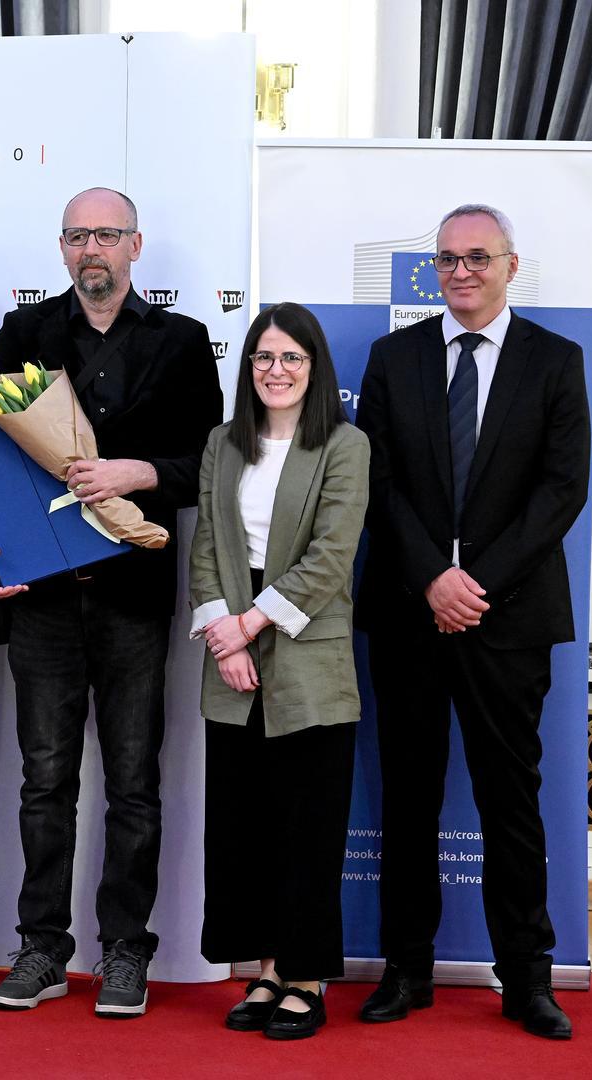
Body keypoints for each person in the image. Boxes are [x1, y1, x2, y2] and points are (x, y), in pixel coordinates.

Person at [0, 187, 221, 1017]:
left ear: (136, 247)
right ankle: (40, 949)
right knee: (44, 782)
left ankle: (124, 954)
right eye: (78, 236)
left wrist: (138, 473)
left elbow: (209, 462)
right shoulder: (23, 334)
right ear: (62, 248)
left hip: (134, 598)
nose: (92, 249)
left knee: (135, 783)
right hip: (41, 592)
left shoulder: (180, 342)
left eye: (107, 234)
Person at [354, 204, 589, 1040]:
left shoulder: (555, 362)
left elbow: (562, 490)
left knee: (510, 804)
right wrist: (430, 579)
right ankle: (406, 970)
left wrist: (473, 583)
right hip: (409, 611)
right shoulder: (395, 357)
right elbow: (374, 483)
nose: (460, 272)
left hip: (508, 616)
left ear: (510, 266)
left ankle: (527, 979)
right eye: (447, 260)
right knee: (408, 800)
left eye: (476, 258)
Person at [189, 303, 369, 1040]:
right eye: (263, 357)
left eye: (291, 357)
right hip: (231, 652)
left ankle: (306, 976)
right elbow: (204, 542)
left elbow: (331, 555)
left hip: (306, 650)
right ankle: (267, 970)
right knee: (245, 825)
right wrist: (223, 639)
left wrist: (252, 624)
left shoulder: (345, 444)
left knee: (308, 824)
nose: (276, 370)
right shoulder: (222, 445)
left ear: (314, 368)